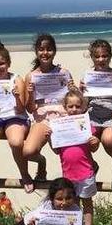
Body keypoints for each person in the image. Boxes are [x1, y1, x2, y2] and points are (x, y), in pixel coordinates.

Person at [0, 42, 39, 193]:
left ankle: (25, 174)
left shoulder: (17, 79)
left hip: (15, 116)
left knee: (16, 142)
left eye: (1, 63)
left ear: (8, 63)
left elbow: (21, 108)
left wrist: (17, 97)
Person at [42, 89, 98, 225]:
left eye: (77, 106)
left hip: (86, 172)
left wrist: (95, 141)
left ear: (83, 108)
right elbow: (56, 151)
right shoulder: (59, 127)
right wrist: (49, 138)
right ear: (65, 108)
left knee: (87, 202)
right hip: (68, 174)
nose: (74, 109)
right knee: (72, 203)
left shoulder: (87, 125)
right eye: (70, 106)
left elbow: (94, 149)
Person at [21, 33, 74, 179]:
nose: (45, 53)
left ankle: (71, 180)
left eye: (49, 49)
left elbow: (74, 100)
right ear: (36, 52)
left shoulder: (64, 73)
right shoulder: (30, 76)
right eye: (41, 49)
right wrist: (31, 94)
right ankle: (42, 163)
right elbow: (30, 109)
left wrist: (73, 89)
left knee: (64, 152)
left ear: (55, 51)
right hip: (42, 118)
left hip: (63, 116)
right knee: (28, 151)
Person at [81, 39, 112, 184]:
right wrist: (81, 91)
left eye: (105, 56)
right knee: (80, 139)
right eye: (97, 57)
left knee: (108, 140)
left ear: (110, 56)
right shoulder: (87, 77)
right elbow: (83, 106)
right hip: (92, 117)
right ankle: (91, 165)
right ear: (92, 57)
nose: (101, 59)